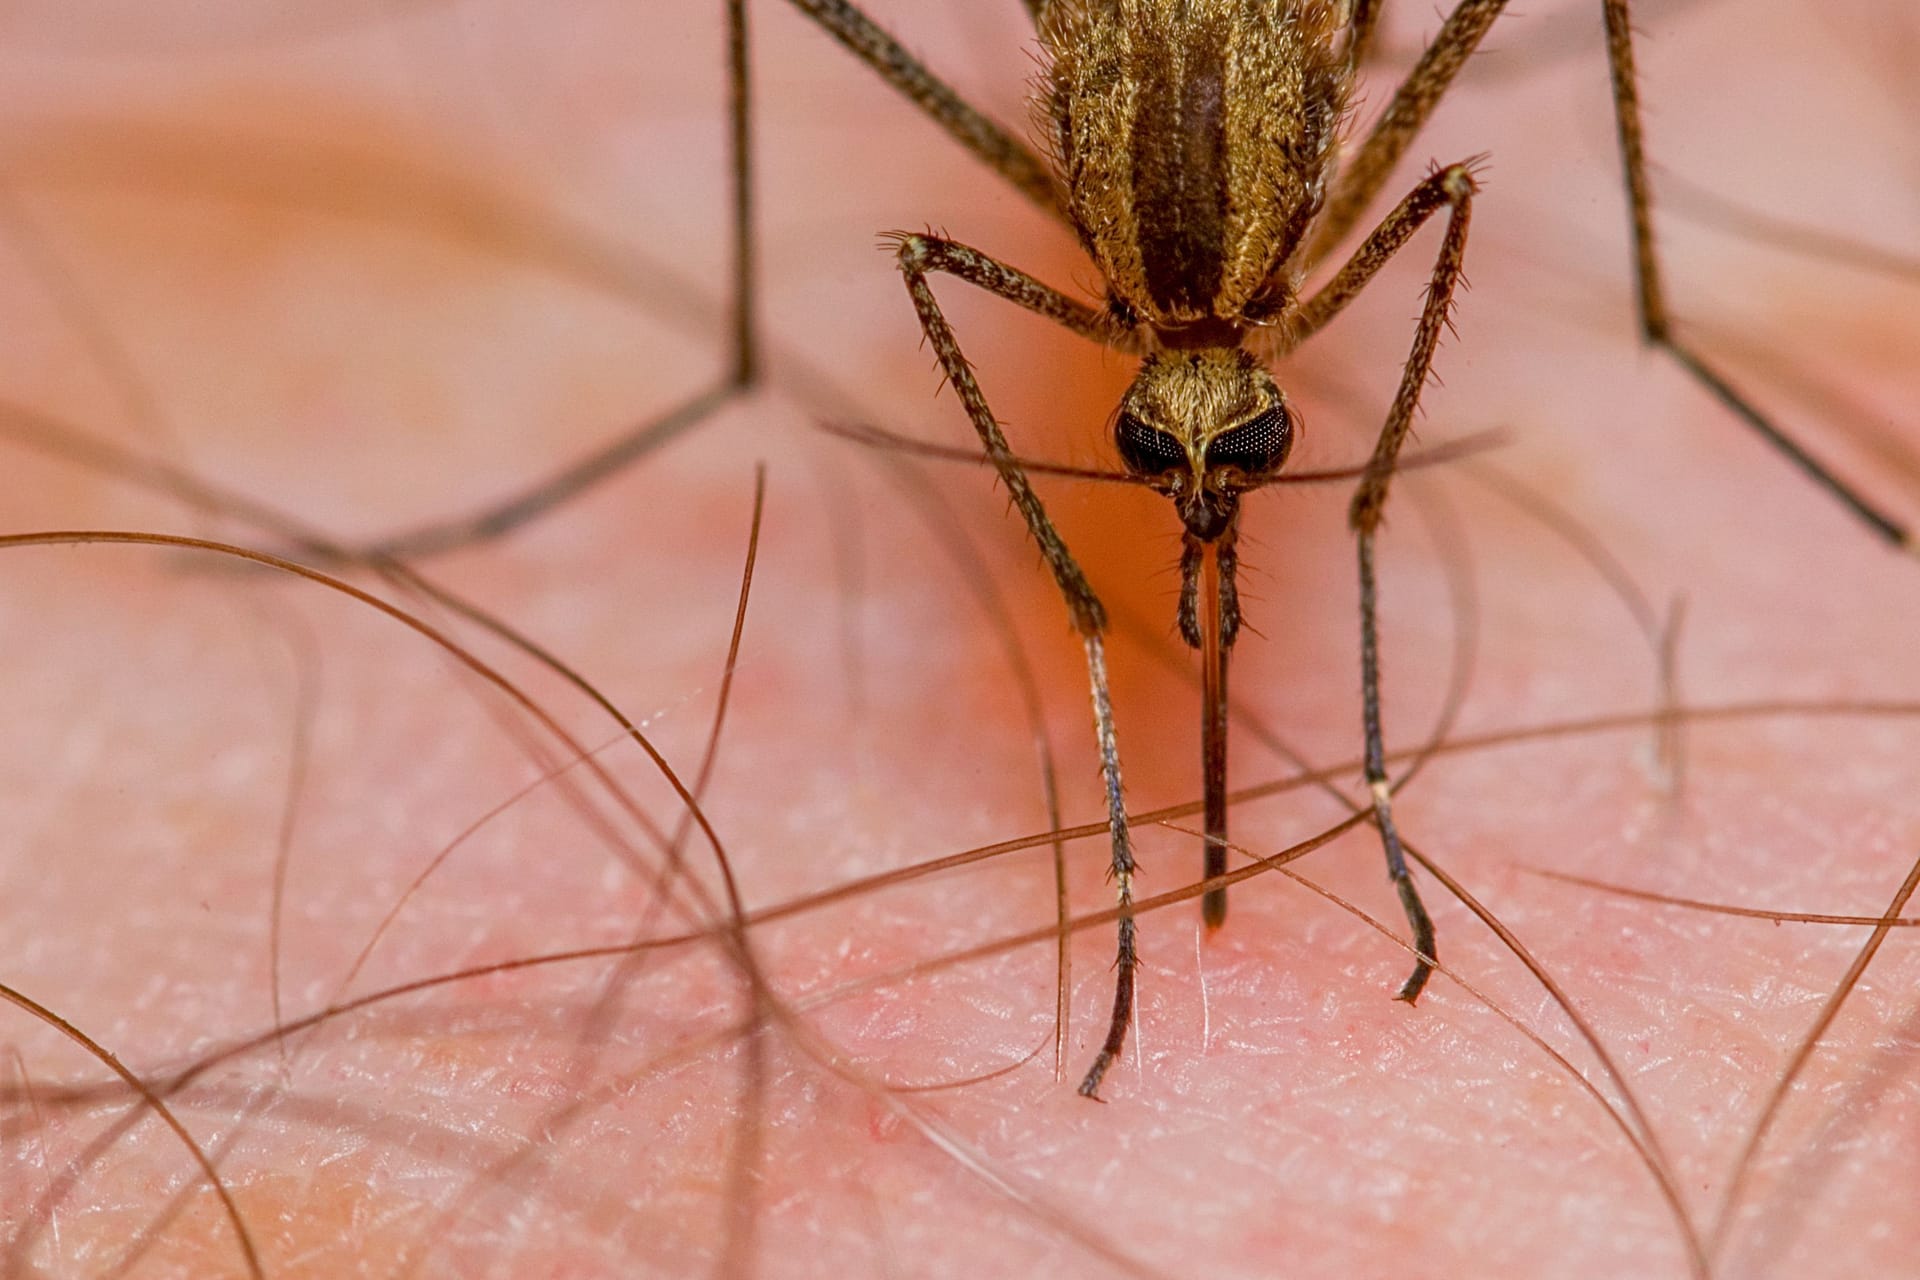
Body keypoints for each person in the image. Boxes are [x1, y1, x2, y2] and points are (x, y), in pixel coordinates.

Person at [0, 3, 1914, 1276]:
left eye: (1233, 459)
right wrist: (1085, 612)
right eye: (1202, 459)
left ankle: (1673, 330)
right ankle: (725, 377)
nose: (1207, 498)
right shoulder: (1155, 341)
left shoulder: (1266, 296)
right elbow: (946, 273)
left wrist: (1373, 537)